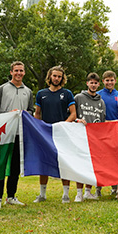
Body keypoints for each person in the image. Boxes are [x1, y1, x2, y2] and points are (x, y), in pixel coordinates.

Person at [0, 61, 34, 208]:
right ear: (11, 72)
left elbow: (31, 111)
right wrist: (7, 114)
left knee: (15, 167)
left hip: (19, 134)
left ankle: (11, 196)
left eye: (21, 71)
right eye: (16, 71)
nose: (19, 73)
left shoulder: (28, 91)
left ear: (24, 73)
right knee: (0, 166)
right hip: (3, 134)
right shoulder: (2, 89)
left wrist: (23, 113)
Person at [33, 66, 77, 203]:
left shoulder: (67, 93)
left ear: (62, 78)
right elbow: (37, 113)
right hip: (46, 133)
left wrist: (63, 125)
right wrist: (37, 128)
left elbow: (74, 113)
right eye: (54, 76)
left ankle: (65, 194)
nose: (56, 78)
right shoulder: (41, 93)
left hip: (62, 132)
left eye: (59, 76)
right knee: (44, 163)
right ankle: (42, 194)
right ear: (50, 77)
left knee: (64, 162)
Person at [74, 72, 106, 201]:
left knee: (92, 165)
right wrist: (77, 120)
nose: (93, 85)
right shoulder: (78, 98)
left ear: (99, 84)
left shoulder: (101, 102)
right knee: (80, 165)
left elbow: (103, 121)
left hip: (95, 138)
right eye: (91, 83)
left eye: (95, 83)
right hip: (80, 136)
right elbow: (71, 115)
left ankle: (88, 191)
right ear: (87, 83)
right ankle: (79, 193)